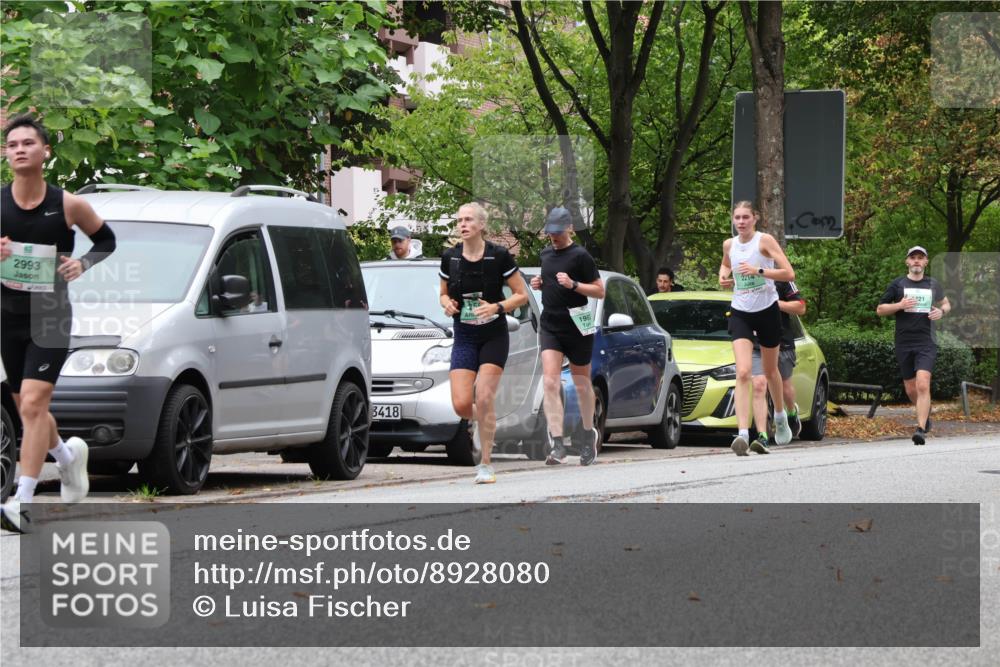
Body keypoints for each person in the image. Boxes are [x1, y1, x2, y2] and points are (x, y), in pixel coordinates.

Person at [1, 115, 117, 532]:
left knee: (32, 405)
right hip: (7, 317)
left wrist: (81, 263)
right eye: (12, 144)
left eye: (28, 143)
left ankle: (24, 502)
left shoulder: (68, 204)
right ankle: (69, 458)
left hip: (50, 315)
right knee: (27, 409)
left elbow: (107, 240)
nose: (19, 149)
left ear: (45, 151)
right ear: (5, 153)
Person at [439, 203, 528, 483]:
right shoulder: (450, 258)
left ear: (480, 225)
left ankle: (486, 464)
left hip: (493, 334)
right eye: (459, 220)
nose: (462, 224)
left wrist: (497, 308)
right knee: (462, 404)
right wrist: (447, 304)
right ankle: (487, 420)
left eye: (468, 220)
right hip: (464, 334)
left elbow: (521, 295)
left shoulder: (498, 256)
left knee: (484, 396)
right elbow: (442, 294)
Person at [718, 201, 796, 456]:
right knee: (743, 372)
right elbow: (726, 264)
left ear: (755, 219)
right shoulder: (729, 244)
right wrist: (722, 276)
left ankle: (781, 416)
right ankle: (742, 434)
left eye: (745, 218)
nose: (741, 222)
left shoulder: (765, 241)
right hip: (741, 310)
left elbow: (789, 273)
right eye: (737, 218)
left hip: (767, 310)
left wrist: (759, 270)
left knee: (771, 371)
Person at [529, 207, 605, 466]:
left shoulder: (581, 256)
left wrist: (574, 284)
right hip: (550, 324)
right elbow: (549, 281)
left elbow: (599, 291)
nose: (554, 237)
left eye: (558, 233)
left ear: (569, 228)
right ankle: (558, 443)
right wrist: (539, 283)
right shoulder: (546, 254)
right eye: (550, 232)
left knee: (581, 383)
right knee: (550, 382)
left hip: (577, 325)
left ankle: (587, 434)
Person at [876, 246, 950, 445]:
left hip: (926, 341)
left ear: (926, 262)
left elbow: (946, 304)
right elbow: (880, 309)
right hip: (903, 342)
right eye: (913, 258)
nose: (917, 261)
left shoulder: (933, 284)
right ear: (907, 262)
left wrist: (941, 312)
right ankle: (925, 414)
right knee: (910, 388)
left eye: (921, 258)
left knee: (923, 383)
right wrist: (899, 305)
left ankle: (920, 429)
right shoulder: (898, 284)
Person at [750, 280, 806, 452]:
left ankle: (790, 413)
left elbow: (801, 308)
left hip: (781, 342)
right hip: (757, 344)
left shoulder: (783, 279)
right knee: (759, 385)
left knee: (785, 387)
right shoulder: (748, 277)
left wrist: (775, 303)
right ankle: (763, 436)